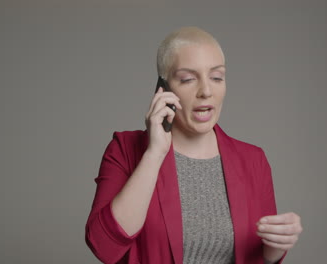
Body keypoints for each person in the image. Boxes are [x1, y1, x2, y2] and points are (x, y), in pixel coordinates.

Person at [85, 26, 303, 264]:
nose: (206, 91)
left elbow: (259, 258)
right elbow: (104, 247)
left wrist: (276, 246)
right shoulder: (125, 149)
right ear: (163, 88)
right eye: (188, 79)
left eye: (217, 77)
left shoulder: (253, 160)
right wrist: (155, 153)